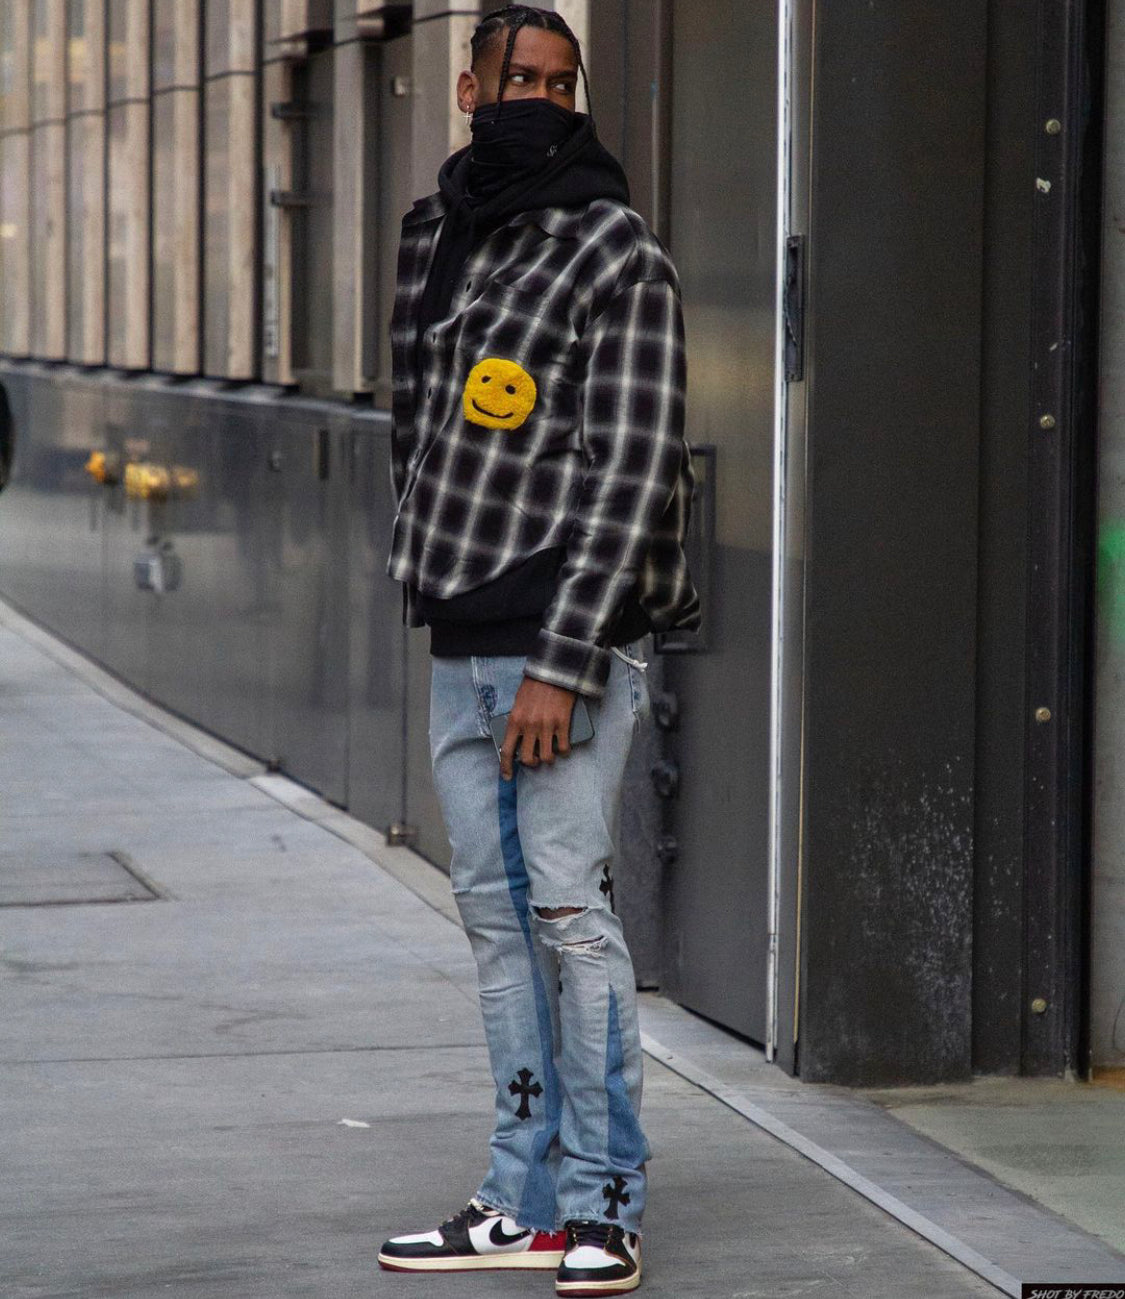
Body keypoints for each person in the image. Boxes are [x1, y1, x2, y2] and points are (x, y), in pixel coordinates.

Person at [378, 6, 699, 1294]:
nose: (546, 101)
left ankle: (605, 1203)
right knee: (493, 921)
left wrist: (564, 659)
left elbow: (634, 476)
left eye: (565, 84)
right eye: (524, 78)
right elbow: (417, 432)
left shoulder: (617, 252)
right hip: (461, 629)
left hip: (569, 638)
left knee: (568, 914)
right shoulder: (431, 236)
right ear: (471, 85)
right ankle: (517, 1196)